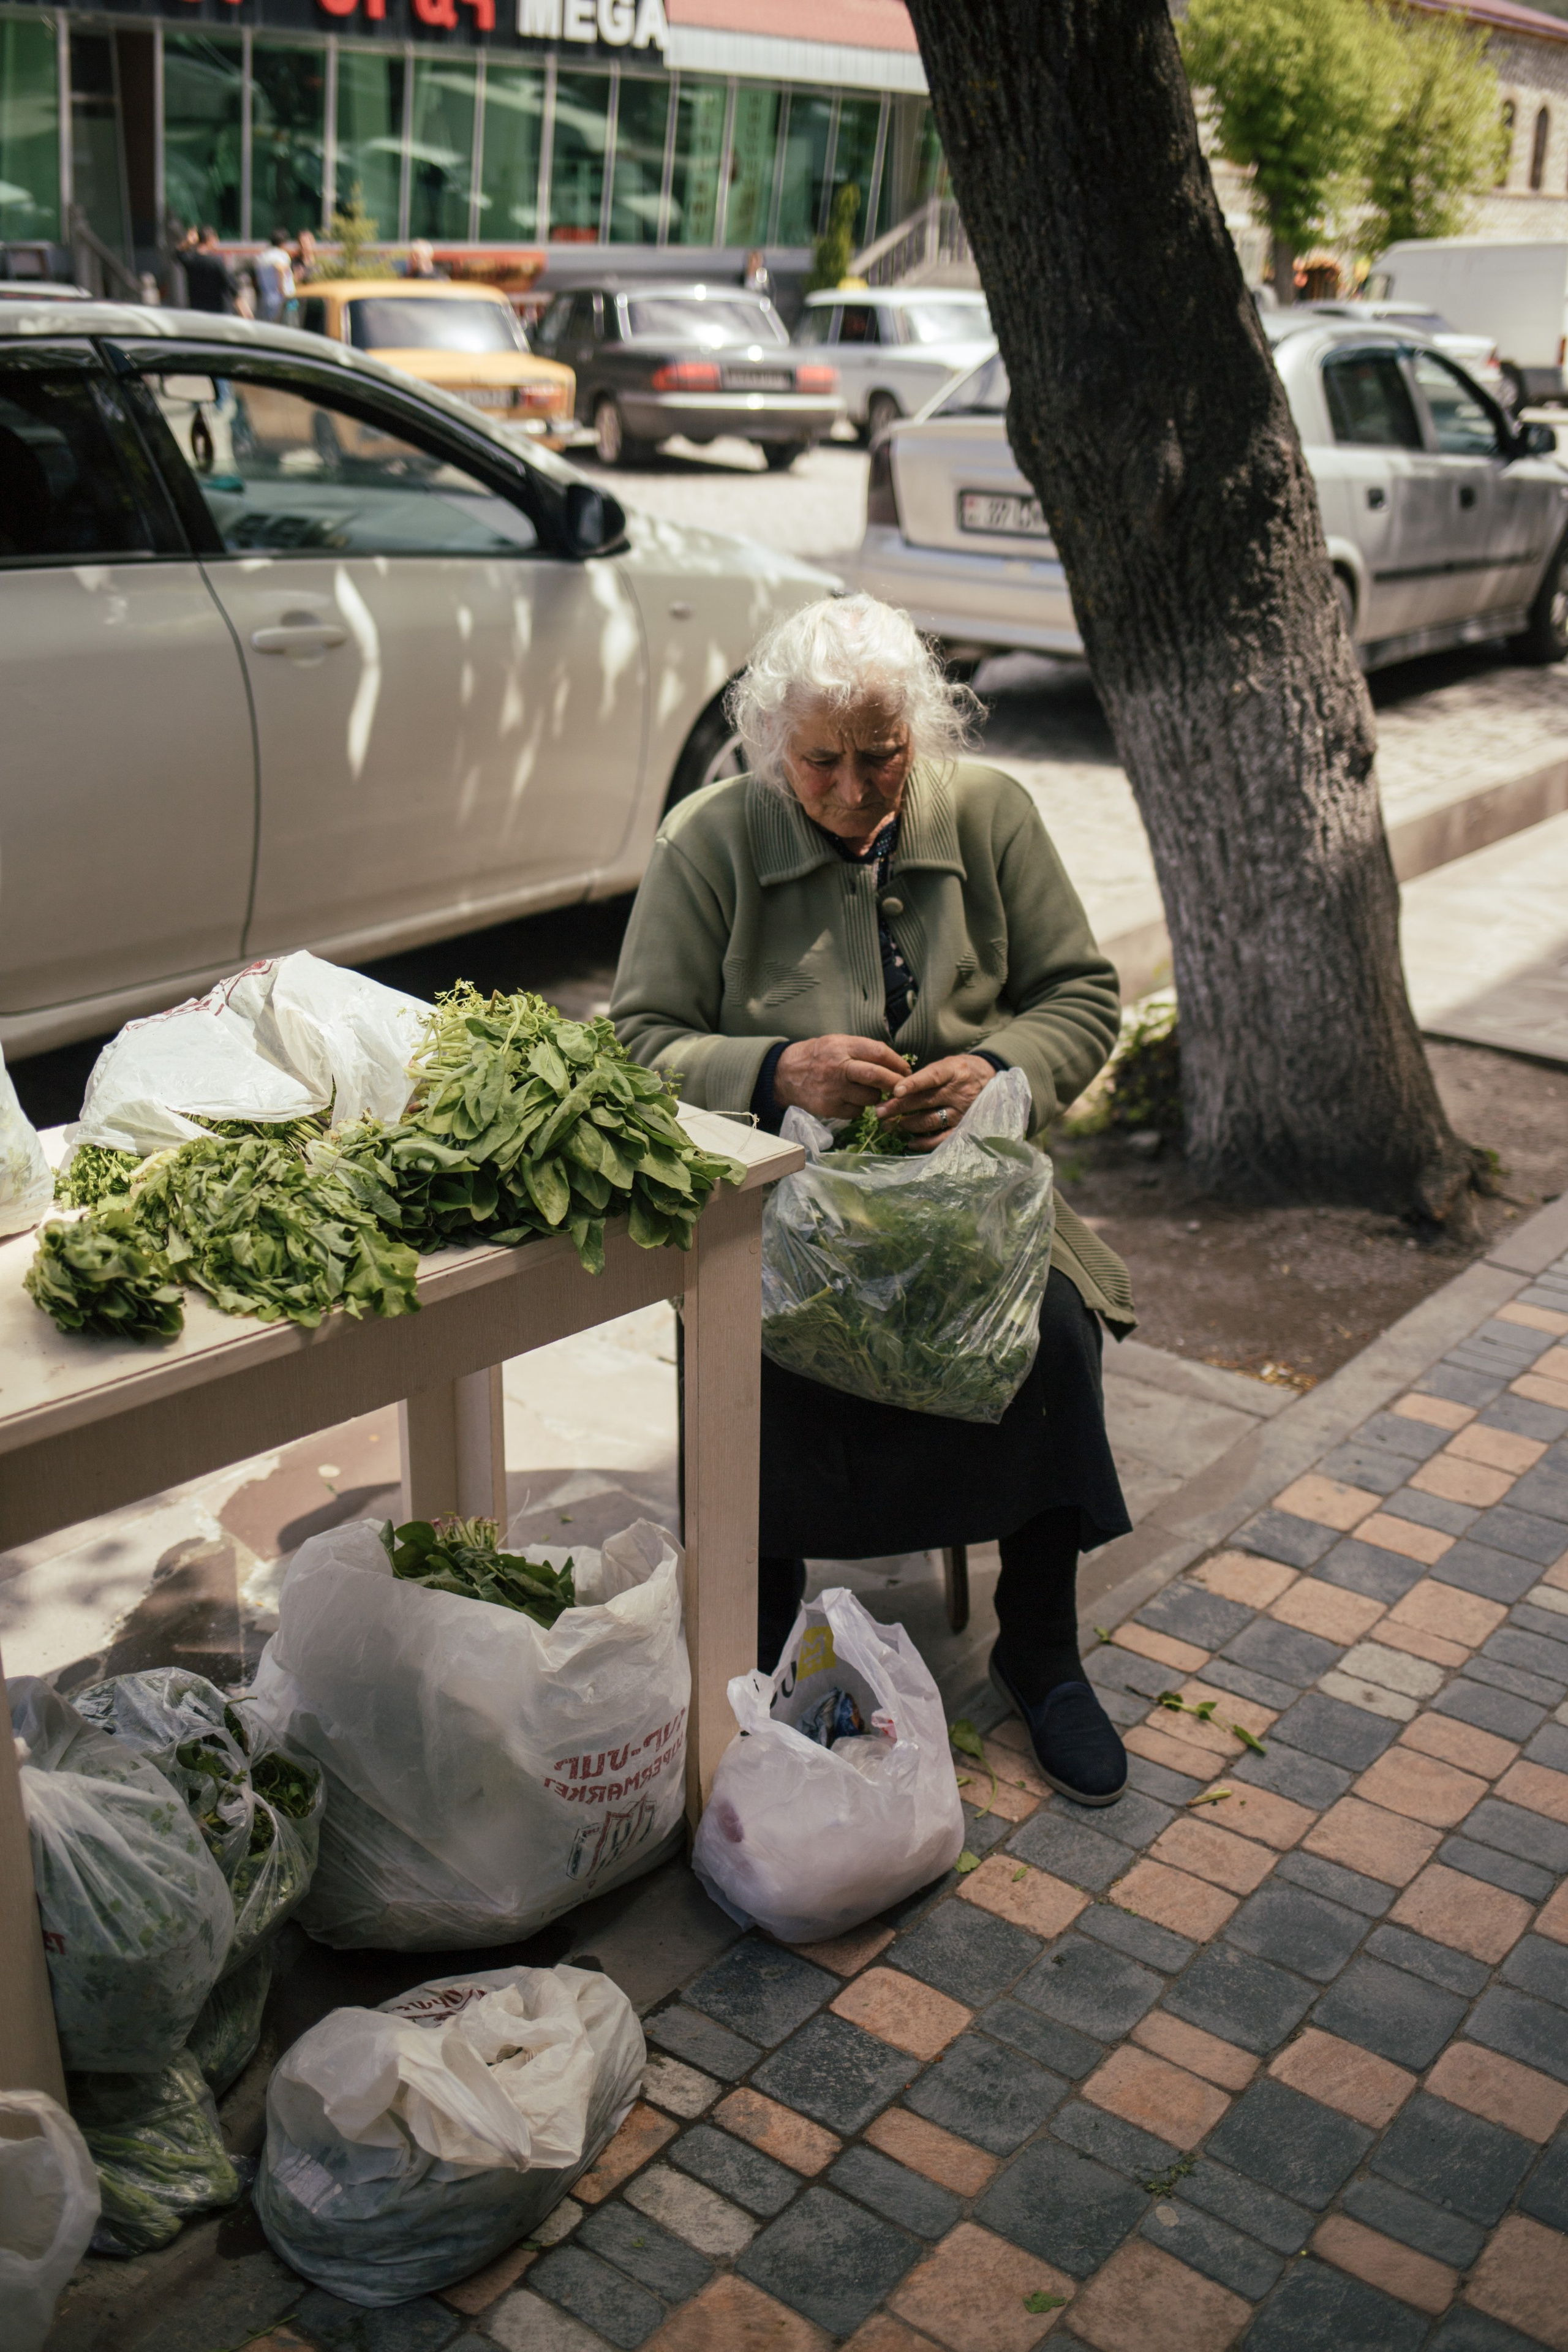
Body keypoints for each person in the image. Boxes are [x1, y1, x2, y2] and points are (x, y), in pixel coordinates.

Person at [611, 594, 1136, 1807]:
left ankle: (1040, 1646)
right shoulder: (710, 840)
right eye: (820, 762)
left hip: (974, 1206)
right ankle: (761, 1602)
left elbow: (1079, 994)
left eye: (882, 754)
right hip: (782, 1212)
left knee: (1051, 1334)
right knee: (764, 1347)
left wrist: (1001, 1072)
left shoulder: (990, 816)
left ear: (922, 733)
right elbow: (635, 1042)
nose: (854, 788)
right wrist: (765, 1072)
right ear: (767, 745)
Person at [183, 227, 237, 315]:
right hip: (218, 313)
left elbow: (178, 252)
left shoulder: (190, 261)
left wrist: (188, 242)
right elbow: (233, 289)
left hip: (197, 313)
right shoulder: (216, 263)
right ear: (211, 239)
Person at [252, 230, 295, 324]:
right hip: (281, 298)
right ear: (283, 243)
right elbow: (280, 268)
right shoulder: (281, 255)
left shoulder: (263, 256)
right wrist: (282, 289)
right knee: (288, 324)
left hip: (266, 296)